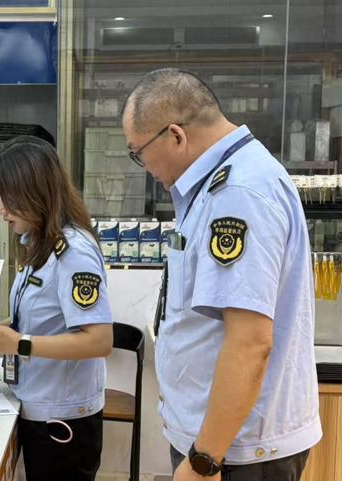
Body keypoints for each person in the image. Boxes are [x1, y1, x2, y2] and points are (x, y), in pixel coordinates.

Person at [122, 68, 320, 480]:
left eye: (138, 153)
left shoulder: (237, 194)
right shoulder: (221, 183)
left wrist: (203, 461)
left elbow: (250, 342)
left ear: (175, 136)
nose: (144, 166)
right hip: (223, 445)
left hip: (234, 454)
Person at [0, 135, 114, 481]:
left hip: (63, 417)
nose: (0, 210)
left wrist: (18, 343)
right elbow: (44, 319)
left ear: (33, 193)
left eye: (5, 198)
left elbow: (99, 341)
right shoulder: (40, 242)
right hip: (37, 406)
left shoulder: (73, 252)